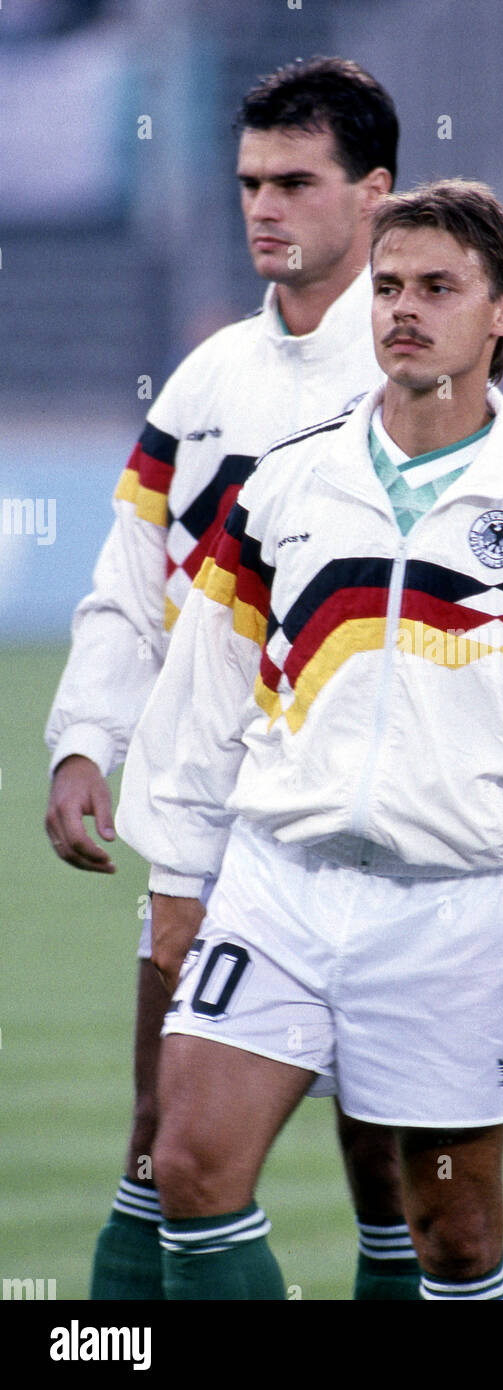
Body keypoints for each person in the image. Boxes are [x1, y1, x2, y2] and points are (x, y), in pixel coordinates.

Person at [115, 178, 503, 1300]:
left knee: (448, 1237)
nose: (402, 309)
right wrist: (177, 869)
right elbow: (204, 692)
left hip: (454, 914)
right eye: (390, 285)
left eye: (438, 288)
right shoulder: (286, 480)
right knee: (188, 1163)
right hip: (278, 884)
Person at [44, 56, 422, 1301]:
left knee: (402, 1195)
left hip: (373, 835)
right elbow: (128, 577)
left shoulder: (422, 373)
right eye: (249, 182)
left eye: (294, 183)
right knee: (161, 1147)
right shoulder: (208, 381)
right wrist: (85, 735)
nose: (262, 206)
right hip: (208, 821)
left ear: (373, 193)